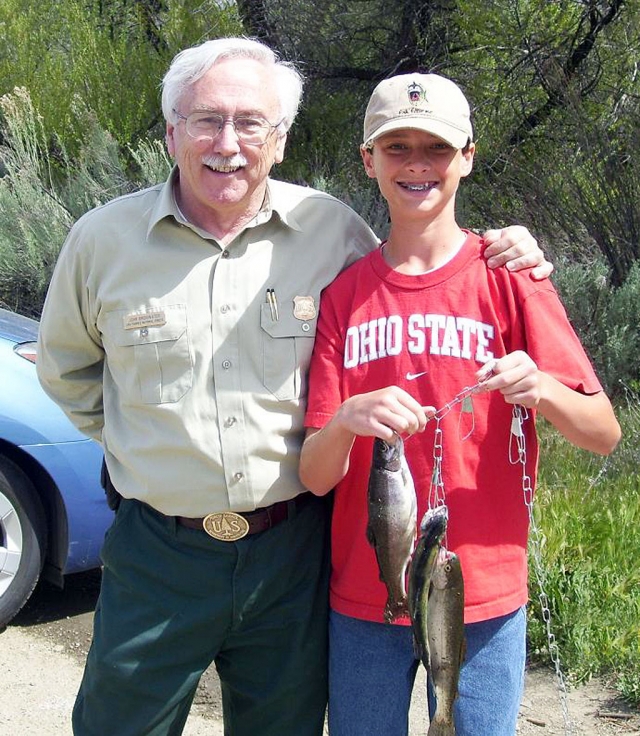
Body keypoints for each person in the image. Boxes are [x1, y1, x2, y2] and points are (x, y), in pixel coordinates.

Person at [36, 37, 550, 736]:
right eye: (205, 120)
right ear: (169, 134)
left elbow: (414, 284)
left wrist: (505, 246)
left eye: (251, 123)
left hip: (292, 555)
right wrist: (150, 448)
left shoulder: (331, 231)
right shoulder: (102, 241)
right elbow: (67, 373)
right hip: (157, 553)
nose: (227, 143)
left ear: (278, 141)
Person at [299, 72, 621, 736]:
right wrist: (346, 420)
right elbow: (314, 474)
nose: (417, 165)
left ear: (468, 157)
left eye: (437, 149)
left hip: (482, 592)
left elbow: (603, 433)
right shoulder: (344, 296)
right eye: (397, 148)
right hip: (370, 594)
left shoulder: (512, 279)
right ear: (368, 160)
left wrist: (547, 390)